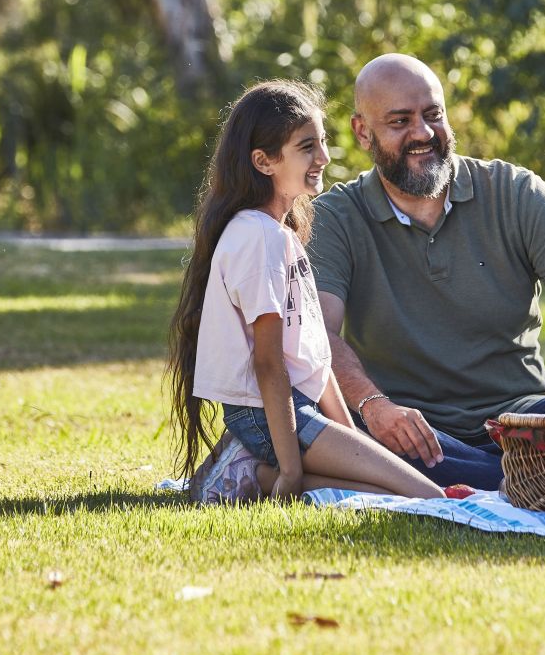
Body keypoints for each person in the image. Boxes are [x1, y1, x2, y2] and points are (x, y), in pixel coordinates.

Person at [309, 54, 545, 490]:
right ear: (362, 132)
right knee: (339, 432)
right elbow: (320, 335)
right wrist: (374, 406)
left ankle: (505, 479)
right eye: (400, 121)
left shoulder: (516, 193)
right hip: (409, 434)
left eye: (433, 115)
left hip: (523, 427)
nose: (423, 133)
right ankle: (534, 482)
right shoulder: (333, 217)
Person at [169, 80, 443, 503]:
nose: (324, 157)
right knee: (427, 496)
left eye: (323, 141)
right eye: (306, 147)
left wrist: (351, 439)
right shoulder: (258, 238)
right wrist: (292, 469)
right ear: (264, 161)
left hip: (296, 407)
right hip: (267, 414)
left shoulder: (283, 235)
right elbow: (268, 364)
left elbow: (314, 353)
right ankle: (258, 471)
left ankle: (254, 475)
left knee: (392, 492)